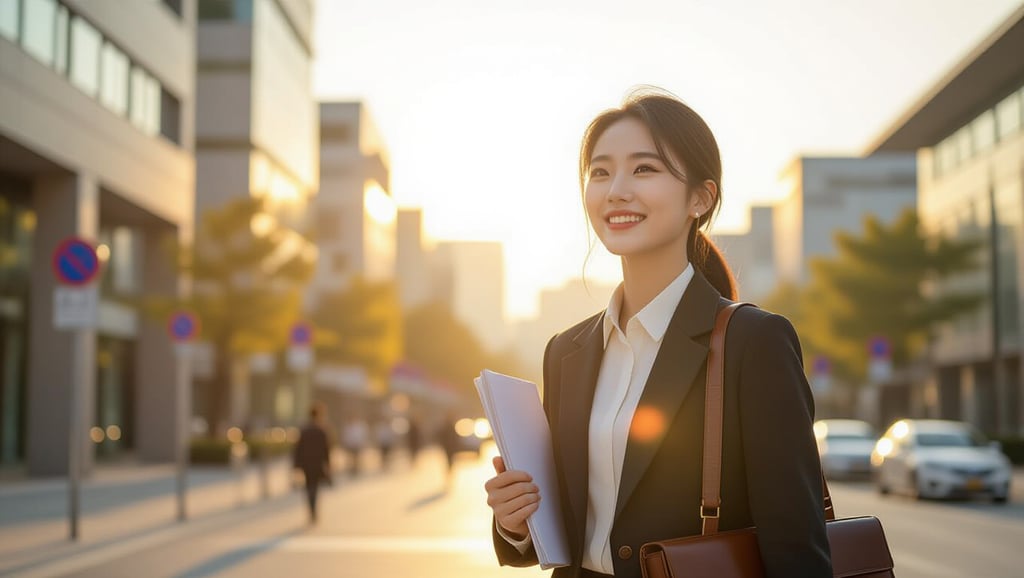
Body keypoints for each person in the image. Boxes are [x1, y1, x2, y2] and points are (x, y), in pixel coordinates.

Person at [483, 88, 832, 577]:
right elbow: (570, 525)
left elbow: (797, 548)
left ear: (700, 197)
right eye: (600, 172)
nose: (615, 190)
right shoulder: (567, 351)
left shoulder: (754, 343)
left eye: (643, 169)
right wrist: (515, 522)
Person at [293, 402, 332, 524]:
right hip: (317, 463)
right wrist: (328, 464)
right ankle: (313, 511)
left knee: (309, 486)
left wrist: (296, 464)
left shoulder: (304, 430)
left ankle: (311, 510)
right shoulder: (322, 430)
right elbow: (327, 450)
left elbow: (297, 449)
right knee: (314, 487)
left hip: (306, 463)